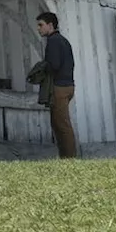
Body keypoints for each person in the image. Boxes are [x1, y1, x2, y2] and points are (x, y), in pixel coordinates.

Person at [36, 11, 77, 158]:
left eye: (41, 25)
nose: (39, 28)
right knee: (58, 123)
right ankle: (65, 157)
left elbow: (54, 65)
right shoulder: (63, 40)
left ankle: (69, 159)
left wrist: (40, 69)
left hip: (60, 87)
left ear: (50, 25)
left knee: (62, 125)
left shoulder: (53, 41)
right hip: (68, 85)